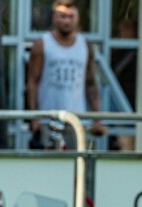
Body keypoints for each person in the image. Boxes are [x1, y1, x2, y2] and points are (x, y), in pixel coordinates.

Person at [26, 0, 105, 150]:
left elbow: (90, 83)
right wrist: (34, 117)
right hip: (48, 119)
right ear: (54, 18)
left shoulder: (85, 45)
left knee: (78, 161)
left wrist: (97, 117)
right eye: (62, 16)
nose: (66, 21)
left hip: (77, 121)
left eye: (70, 16)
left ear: (77, 18)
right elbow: (32, 82)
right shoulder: (42, 44)